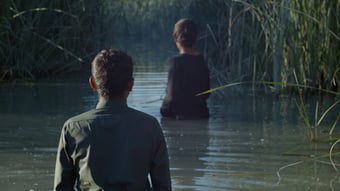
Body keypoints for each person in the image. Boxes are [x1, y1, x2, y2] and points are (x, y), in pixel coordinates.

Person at [54, 49, 171, 191]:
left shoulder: (73, 128)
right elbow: (163, 187)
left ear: (92, 83)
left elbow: (61, 188)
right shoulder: (150, 126)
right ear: (131, 84)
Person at [160, 18, 210, 120]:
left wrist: (163, 111)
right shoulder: (202, 61)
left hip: (180, 118)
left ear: (175, 38)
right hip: (202, 115)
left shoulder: (175, 62)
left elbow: (171, 97)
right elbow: (207, 92)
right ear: (196, 38)